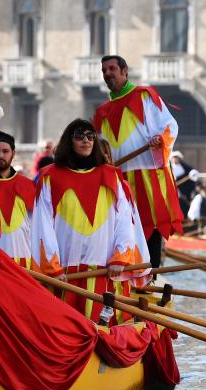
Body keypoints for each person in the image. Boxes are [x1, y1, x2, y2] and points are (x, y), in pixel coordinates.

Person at [31, 119, 150, 325]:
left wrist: (120, 258)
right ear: (70, 141)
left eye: (90, 136)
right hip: (65, 275)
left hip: (104, 271)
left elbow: (124, 221)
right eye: (79, 136)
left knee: (105, 326)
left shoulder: (112, 176)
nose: (85, 141)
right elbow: (42, 225)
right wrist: (53, 269)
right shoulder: (50, 176)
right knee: (64, 327)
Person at [93, 55, 183, 268]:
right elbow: (101, 147)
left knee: (150, 224)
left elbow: (169, 125)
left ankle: (150, 275)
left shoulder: (144, 95)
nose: (107, 74)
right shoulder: (102, 111)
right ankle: (128, 275)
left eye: (112, 69)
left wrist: (161, 139)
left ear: (125, 71)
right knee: (121, 227)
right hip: (118, 176)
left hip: (148, 173)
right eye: (104, 70)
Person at [0, 131, 35, 268]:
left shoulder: (27, 185)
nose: (0, 155)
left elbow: (35, 226)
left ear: (13, 154)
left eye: (5, 151)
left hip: (23, 260)